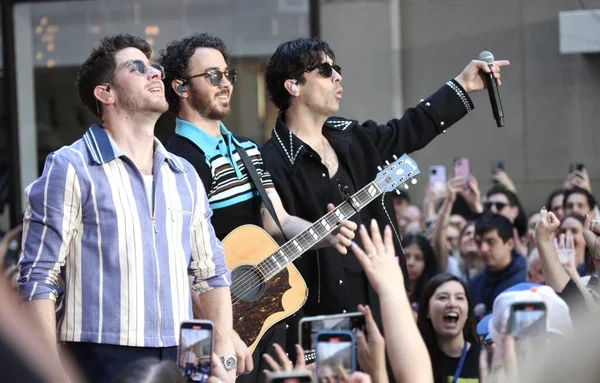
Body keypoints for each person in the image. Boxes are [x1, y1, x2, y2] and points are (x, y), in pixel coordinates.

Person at [260, 36, 509, 354]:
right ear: (293, 86)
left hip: (381, 301)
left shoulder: (351, 136)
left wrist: (463, 84)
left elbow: (409, 128)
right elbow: (276, 225)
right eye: (325, 70)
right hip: (320, 317)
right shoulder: (272, 160)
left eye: (337, 68)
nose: (338, 76)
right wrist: (323, 232)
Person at [18, 33, 235, 383]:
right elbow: (37, 279)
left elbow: (211, 273)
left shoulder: (184, 175)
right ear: (106, 94)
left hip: (187, 353)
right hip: (100, 355)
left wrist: (222, 353)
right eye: (137, 68)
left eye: (154, 67)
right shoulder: (71, 166)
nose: (154, 74)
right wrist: (52, 372)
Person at [158, 33, 356, 382]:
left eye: (228, 75)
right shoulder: (173, 161)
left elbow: (276, 222)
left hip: (262, 309)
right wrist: (221, 329)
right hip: (203, 325)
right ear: (180, 87)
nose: (226, 85)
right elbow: (176, 261)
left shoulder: (247, 149)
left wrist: (327, 232)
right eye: (213, 76)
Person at [417, 273, 481, 383]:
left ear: (467, 311)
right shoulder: (416, 359)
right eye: (443, 297)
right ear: (427, 311)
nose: (452, 303)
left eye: (459, 298)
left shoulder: (483, 357)